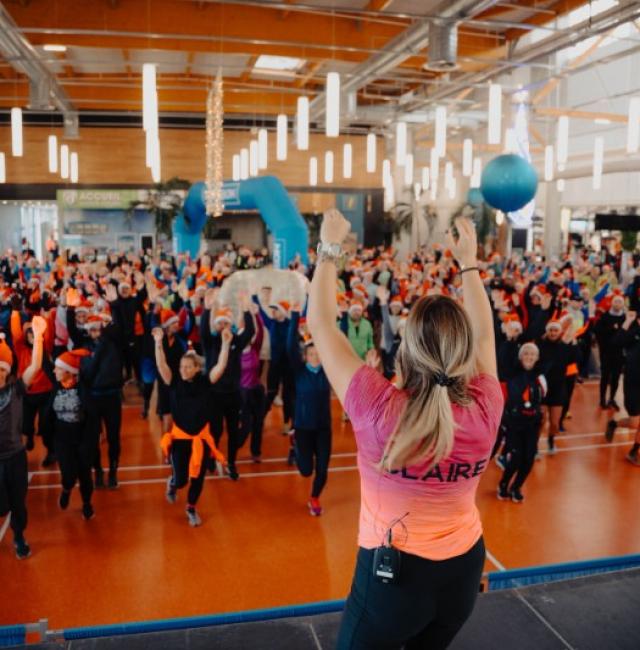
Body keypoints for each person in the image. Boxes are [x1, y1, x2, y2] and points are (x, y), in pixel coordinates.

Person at [308, 211, 503, 650]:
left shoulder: (378, 408)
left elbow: (320, 324)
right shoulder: (487, 405)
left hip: (393, 583)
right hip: (463, 573)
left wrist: (329, 247)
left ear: (405, 348)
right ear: (464, 352)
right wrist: (468, 263)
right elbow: (488, 338)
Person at [154, 326, 231, 526]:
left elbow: (220, 366)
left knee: (197, 478)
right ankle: (172, 483)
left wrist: (226, 343)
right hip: (180, 440)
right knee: (181, 481)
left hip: (201, 439)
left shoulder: (205, 382)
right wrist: (158, 343)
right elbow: (162, 365)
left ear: (197, 368)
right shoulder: (174, 382)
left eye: (188, 367)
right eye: (181, 366)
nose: (183, 370)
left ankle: (191, 507)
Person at [0, 315, 47, 559]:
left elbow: (35, 366)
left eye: (1, 369)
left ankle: (19, 537)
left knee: (18, 503)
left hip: (15, 457)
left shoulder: (16, 389)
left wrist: (38, 338)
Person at [200, 289, 255, 480]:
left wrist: (246, 309)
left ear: (230, 325)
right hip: (214, 394)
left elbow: (250, 331)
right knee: (214, 431)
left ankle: (231, 463)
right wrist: (207, 309)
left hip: (233, 394)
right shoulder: (211, 341)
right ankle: (210, 459)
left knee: (233, 432)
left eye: (226, 323)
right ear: (216, 325)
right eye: (220, 322)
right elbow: (203, 331)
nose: (223, 325)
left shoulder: (236, 342)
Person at [287, 304, 332, 516]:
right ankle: (294, 442)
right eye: (311, 353)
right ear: (306, 355)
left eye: (318, 353)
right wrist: (295, 315)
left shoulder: (327, 372)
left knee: (322, 470)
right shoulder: (298, 372)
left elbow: (333, 344)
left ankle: (314, 498)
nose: (315, 357)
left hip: (323, 428)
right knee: (305, 471)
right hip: (303, 428)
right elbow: (289, 347)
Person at [497, 343, 547, 502]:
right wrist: (510, 339)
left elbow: (542, 401)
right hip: (513, 423)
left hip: (532, 424)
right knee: (516, 457)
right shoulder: (512, 373)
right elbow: (503, 358)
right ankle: (503, 484)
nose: (529, 356)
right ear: (520, 356)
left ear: (537, 358)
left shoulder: (540, 377)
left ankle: (516, 487)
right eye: (526, 353)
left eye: (532, 354)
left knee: (529, 458)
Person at [52, 348, 96, 520]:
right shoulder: (55, 388)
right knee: (68, 474)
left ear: (69, 371)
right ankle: (66, 488)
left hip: (82, 439)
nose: (54, 371)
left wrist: (91, 440)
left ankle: (86, 503)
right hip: (62, 440)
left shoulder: (83, 389)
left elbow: (91, 415)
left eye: (58, 368)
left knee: (85, 475)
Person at [605, 309, 640, 466]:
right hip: (633, 382)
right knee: (634, 423)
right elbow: (616, 342)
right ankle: (614, 424)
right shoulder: (634, 333)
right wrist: (626, 322)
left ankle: (634, 451)